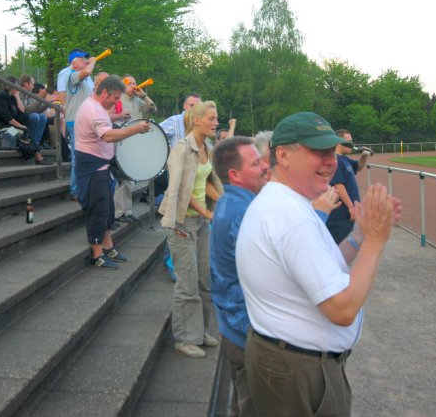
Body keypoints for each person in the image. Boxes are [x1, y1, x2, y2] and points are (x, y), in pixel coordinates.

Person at [236, 112, 402, 416]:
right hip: (300, 372)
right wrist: (376, 241)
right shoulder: (292, 217)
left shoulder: (284, 203)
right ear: (283, 155)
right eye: (319, 151)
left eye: (332, 151)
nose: (331, 161)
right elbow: (342, 309)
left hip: (285, 361)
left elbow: (318, 267)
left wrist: (359, 235)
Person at [159, 100, 223, 358]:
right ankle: (185, 337)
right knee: (187, 284)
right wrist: (206, 211)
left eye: (216, 118)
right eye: (211, 118)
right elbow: (183, 190)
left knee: (204, 281)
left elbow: (204, 181)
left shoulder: (207, 147)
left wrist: (223, 200)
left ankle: (200, 332)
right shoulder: (183, 149)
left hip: (201, 222)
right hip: (182, 222)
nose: (216, 123)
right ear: (196, 120)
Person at [210, 136, 269, 416]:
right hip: (245, 330)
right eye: (256, 163)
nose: (265, 168)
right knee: (253, 406)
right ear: (234, 174)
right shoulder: (245, 212)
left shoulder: (228, 202)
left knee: (241, 403)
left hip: (231, 325)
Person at [74, 75, 150, 268]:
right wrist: (135, 129)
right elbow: (107, 136)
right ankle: (97, 254)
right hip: (92, 167)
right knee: (97, 209)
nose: (117, 102)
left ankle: (108, 246)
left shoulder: (97, 107)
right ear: (105, 92)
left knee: (107, 210)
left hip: (101, 165)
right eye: (115, 98)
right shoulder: (93, 109)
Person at [113, 75, 158, 223]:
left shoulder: (138, 100)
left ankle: (127, 210)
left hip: (134, 142)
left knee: (130, 179)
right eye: (129, 83)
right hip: (121, 140)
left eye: (134, 82)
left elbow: (153, 109)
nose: (133, 85)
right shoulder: (118, 98)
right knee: (123, 178)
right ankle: (120, 212)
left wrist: (144, 95)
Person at [62, 49, 96, 201]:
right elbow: (86, 72)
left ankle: (83, 187)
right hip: (76, 121)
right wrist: (93, 62)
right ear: (74, 63)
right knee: (78, 157)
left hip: (87, 122)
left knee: (88, 156)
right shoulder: (72, 75)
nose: (86, 61)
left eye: (87, 59)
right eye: (83, 59)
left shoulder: (87, 80)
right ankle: (75, 190)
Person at [326, 129, 372, 244]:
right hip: (340, 214)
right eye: (348, 141)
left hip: (346, 213)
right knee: (338, 247)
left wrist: (364, 156)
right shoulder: (335, 160)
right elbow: (338, 185)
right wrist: (351, 207)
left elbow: (358, 167)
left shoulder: (344, 159)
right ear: (338, 142)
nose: (352, 144)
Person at [0, 76, 47, 165]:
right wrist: (21, 126)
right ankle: (38, 157)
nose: (19, 87)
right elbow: (7, 117)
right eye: (17, 85)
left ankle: (38, 157)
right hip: (0, 128)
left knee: (25, 131)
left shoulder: (12, 97)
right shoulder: (2, 96)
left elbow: (22, 111)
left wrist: (16, 96)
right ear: (12, 86)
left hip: (8, 126)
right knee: (21, 132)